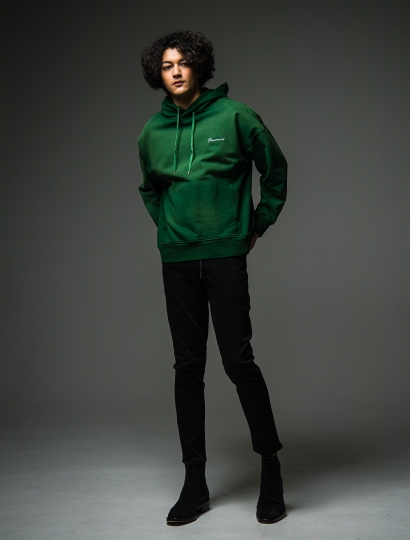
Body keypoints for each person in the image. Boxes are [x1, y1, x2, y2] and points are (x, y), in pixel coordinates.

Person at [138, 30, 288, 525]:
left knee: (238, 360)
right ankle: (194, 481)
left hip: (225, 256)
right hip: (177, 260)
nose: (175, 72)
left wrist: (257, 223)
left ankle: (270, 466)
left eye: (182, 62)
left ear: (199, 65)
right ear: (158, 74)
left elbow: (275, 169)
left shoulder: (236, 116)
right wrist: (170, 230)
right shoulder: (151, 132)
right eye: (166, 66)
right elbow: (150, 189)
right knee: (187, 368)